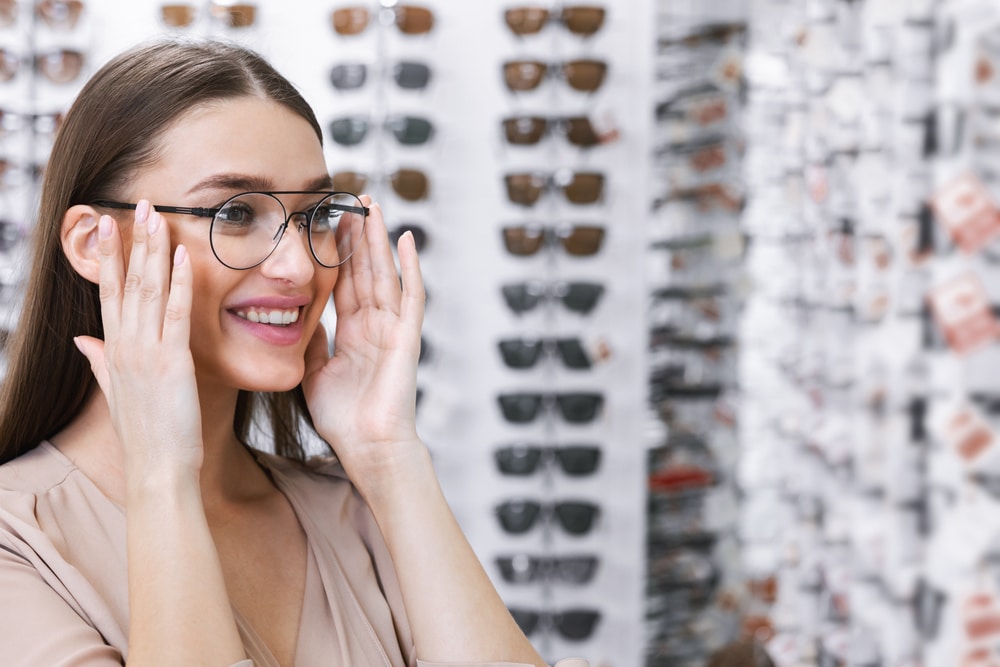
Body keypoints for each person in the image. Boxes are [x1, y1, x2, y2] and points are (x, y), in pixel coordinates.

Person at [0, 38, 590, 667]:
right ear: (95, 243)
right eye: (233, 213)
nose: (298, 265)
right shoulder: (20, 541)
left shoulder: (356, 511)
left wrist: (387, 455)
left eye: (313, 217)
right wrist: (161, 481)